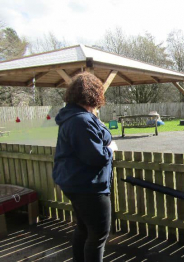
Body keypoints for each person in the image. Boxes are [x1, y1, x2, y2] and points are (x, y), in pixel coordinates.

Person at [52, 72, 118, 262]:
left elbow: (98, 137)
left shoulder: (76, 116)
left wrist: (97, 121)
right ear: (94, 94)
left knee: (83, 228)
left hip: (74, 182)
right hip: (88, 186)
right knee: (98, 235)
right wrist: (110, 149)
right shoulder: (81, 120)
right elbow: (95, 156)